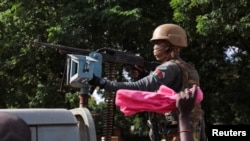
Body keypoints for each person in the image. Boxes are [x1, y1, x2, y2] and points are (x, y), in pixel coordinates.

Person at [89, 23, 205, 141]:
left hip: (175, 133)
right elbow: (169, 90)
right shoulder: (188, 68)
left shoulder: (169, 67)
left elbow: (139, 87)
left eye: (159, 43)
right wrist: (144, 75)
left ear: (171, 45)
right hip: (190, 130)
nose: (155, 47)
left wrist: (103, 83)